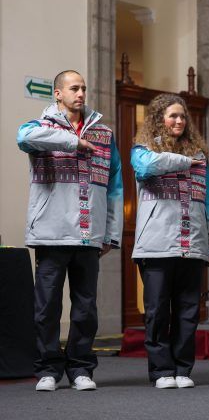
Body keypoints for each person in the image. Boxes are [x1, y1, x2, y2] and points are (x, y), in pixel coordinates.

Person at [17, 70, 123, 392]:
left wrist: (111, 233)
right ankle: (48, 369)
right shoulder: (39, 127)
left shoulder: (103, 133)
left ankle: (80, 368)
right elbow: (23, 138)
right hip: (51, 232)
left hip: (89, 234)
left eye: (83, 88)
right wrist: (72, 141)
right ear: (58, 94)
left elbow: (115, 186)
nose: (80, 93)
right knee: (47, 307)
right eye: (74, 88)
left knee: (86, 308)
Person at [130, 94, 209, 389]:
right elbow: (145, 168)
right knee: (157, 312)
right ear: (159, 118)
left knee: (187, 312)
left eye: (183, 116)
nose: (179, 121)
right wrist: (184, 161)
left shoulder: (200, 155)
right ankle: (161, 371)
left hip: (192, 244)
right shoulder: (143, 149)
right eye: (173, 115)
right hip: (156, 245)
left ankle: (182, 369)